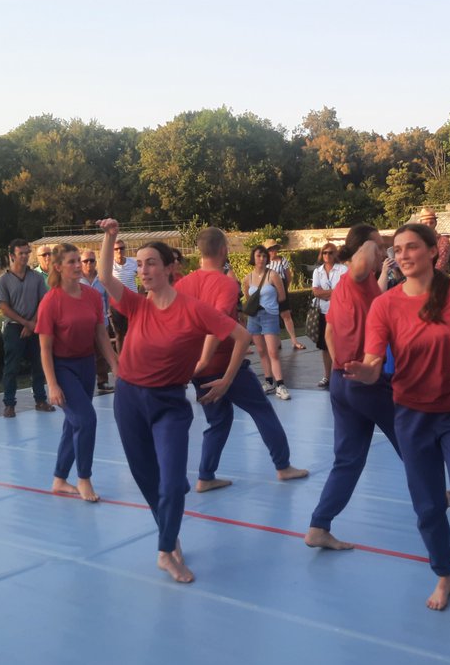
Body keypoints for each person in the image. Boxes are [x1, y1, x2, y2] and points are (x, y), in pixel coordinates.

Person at [346, 223, 450, 619]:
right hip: (412, 416)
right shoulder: (384, 306)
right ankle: (443, 573)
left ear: (433, 250)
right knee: (429, 506)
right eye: (397, 249)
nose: (402, 255)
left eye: (411, 247)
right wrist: (364, 373)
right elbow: (373, 365)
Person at [98, 220, 255, 583]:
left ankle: (165, 551)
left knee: (171, 482)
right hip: (128, 401)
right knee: (147, 479)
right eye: (140, 264)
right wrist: (109, 237)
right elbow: (106, 278)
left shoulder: (193, 308)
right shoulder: (137, 306)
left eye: (151, 262)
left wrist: (227, 380)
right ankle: (169, 540)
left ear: (170, 268)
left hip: (168, 403)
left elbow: (242, 335)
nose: (144, 269)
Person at [176, 227, 307, 491]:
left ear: (198, 252)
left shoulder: (183, 285)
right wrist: (207, 363)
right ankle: (283, 466)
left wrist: (192, 366)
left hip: (198, 368)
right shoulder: (226, 283)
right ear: (223, 250)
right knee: (262, 410)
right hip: (224, 364)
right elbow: (219, 326)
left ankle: (205, 476)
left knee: (218, 421)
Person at [306, 224, 402, 550]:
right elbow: (362, 257)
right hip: (365, 383)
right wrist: (376, 241)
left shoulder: (348, 286)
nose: (384, 253)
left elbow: (331, 333)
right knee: (411, 440)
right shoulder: (357, 279)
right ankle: (438, 495)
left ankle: (318, 526)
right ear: (365, 249)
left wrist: (341, 368)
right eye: (378, 248)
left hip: (341, 382)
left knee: (348, 459)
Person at [36, 243, 117, 503]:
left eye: (78, 261)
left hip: (86, 365)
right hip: (62, 368)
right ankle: (84, 478)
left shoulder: (92, 296)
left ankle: (59, 479)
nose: (77, 266)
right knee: (86, 420)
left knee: (74, 423)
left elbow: (101, 335)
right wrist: (52, 385)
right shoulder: (51, 301)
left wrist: (116, 365)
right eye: (71, 262)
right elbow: (45, 349)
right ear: (58, 267)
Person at [0, 239, 54, 418]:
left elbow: (42, 302)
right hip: (14, 327)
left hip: (35, 325)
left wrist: (32, 323)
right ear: (12, 256)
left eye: (27, 252)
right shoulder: (3, 280)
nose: (24, 256)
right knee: (11, 367)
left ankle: (40, 399)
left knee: (39, 363)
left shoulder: (36, 277)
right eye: (21, 253)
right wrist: (25, 323)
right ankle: (9, 404)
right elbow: (4, 307)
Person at [244, 244, 290, 400]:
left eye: (264, 256)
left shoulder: (273, 275)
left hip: (269, 314)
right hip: (254, 317)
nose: (262, 259)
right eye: (259, 255)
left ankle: (280, 384)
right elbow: (248, 298)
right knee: (262, 351)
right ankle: (269, 381)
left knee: (273, 352)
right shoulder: (248, 278)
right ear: (253, 257)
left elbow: (282, 296)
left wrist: (270, 303)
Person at [311, 242, 348, 388]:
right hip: (323, 311)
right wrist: (333, 292)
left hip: (339, 312)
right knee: (325, 347)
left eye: (330, 252)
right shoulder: (317, 271)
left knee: (340, 344)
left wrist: (325, 293)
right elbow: (315, 292)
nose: (327, 255)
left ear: (335, 254)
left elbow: (344, 291)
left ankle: (341, 374)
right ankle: (327, 376)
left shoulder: (343, 269)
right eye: (325, 252)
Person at [79, 248, 113, 394]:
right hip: (83, 324)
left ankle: (103, 381)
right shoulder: (76, 280)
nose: (88, 264)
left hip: (101, 322)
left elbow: (107, 298)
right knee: (84, 354)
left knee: (102, 353)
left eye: (91, 260)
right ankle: (83, 382)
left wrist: (109, 312)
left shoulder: (102, 280)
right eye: (85, 261)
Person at [266, 240, 306, 350]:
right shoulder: (264, 262)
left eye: (274, 248)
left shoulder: (282, 260)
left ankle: (294, 340)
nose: (273, 251)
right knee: (272, 316)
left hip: (281, 288)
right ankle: (277, 342)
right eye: (270, 249)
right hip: (269, 291)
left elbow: (288, 276)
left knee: (286, 315)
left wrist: (284, 289)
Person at [109, 237, 140, 356]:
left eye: (121, 248)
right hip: (116, 304)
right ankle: (122, 361)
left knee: (133, 333)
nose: (119, 251)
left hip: (132, 303)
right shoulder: (110, 265)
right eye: (116, 249)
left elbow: (143, 277)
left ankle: (134, 358)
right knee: (119, 334)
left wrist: (141, 293)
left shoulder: (133, 263)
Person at [417, 207, 450, 272]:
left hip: (438, 279)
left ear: (436, 223)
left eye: (431, 223)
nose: (428, 225)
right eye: (425, 223)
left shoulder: (443, 241)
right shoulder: (416, 241)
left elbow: (441, 265)